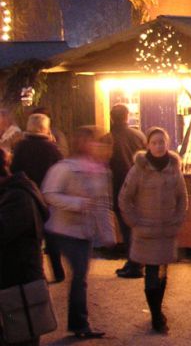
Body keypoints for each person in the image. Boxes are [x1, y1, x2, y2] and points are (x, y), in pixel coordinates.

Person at [41, 126, 114, 340]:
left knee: (80, 276)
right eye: (92, 141)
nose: (96, 145)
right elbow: (49, 193)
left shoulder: (100, 170)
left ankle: (78, 322)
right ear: (82, 142)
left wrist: (108, 233)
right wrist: (76, 203)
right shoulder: (64, 168)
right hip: (64, 230)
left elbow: (102, 204)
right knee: (80, 275)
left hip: (84, 231)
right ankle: (79, 323)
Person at [118, 127, 187, 334]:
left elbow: (182, 198)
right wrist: (135, 222)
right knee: (151, 272)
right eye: (155, 142)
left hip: (166, 230)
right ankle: (156, 315)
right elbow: (125, 198)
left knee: (163, 272)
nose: (158, 146)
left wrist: (176, 221)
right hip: (146, 231)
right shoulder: (139, 168)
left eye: (162, 142)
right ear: (148, 145)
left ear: (167, 144)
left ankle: (157, 312)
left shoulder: (174, 167)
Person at [0, 148, 50, 346]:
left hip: (19, 284)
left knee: (21, 336)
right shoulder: (10, 193)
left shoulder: (19, 197)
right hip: (11, 281)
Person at [10, 113, 65, 283]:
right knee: (51, 235)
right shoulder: (52, 149)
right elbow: (60, 171)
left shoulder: (20, 147)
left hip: (27, 195)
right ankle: (58, 271)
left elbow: (14, 169)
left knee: (34, 236)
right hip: (48, 195)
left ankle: (37, 272)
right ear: (45, 128)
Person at [101, 104, 146, 279]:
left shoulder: (108, 138)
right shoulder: (139, 136)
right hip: (139, 187)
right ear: (127, 116)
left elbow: (104, 164)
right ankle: (135, 261)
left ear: (112, 117)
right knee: (136, 226)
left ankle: (135, 264)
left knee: (127, 228)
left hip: (118, 186)